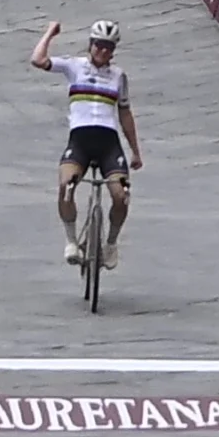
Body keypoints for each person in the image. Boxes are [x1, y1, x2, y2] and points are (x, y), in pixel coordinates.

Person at [29, 18, 142, 270]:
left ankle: (110, 244)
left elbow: (125, 114)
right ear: (90, 44)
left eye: (109, 47)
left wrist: (135, 151)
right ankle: (71, 241)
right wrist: (50, 32)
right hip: (80, 141)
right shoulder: (74, 66)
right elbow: (38, 60)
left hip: (108, 143)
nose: (103, 51)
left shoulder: (119, 76)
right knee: (66, 187)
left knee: (121, 196)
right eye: (99, 45)